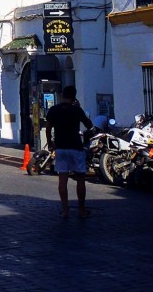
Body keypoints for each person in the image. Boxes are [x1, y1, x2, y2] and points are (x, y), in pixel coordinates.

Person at [44, 85, 94, 218]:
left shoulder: (54, 110)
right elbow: (89, 125)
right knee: (80, 179)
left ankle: (65, 210)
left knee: (62, 179)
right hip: (76, 147)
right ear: (74, 96)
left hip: (61, 147)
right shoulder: (76, 109)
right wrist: (77, 107)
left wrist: (50, 142)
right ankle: (81, 209)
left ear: (62, 95)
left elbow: (48, 128)